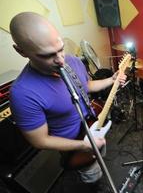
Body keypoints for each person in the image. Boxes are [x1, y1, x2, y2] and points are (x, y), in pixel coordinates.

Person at [9, 12, 126, 192]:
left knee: (100, 159)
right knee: (93, 176)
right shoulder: (22, 93)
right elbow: (40, 141)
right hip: (75, 144)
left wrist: (112, 80)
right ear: (21, 51)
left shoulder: (72, 61)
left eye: (61, 49)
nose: (61, 59)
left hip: (92, 127)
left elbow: (85, 85)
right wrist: (84, 145)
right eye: (47, 55)